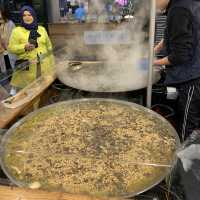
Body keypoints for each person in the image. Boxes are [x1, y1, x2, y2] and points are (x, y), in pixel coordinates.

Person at [154, 0, 200, 141]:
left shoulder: (178, 10)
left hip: (193, 77)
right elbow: (173, 33)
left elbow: (180, 55)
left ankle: (185, 160)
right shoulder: (183, 4)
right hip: (194, 70)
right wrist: (156, 49)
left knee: (189, 124)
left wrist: (153, 63)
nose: (152, 5)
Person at [8, 5, 54, 93]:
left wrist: (53, 64)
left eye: (29, 15)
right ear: (21, 17)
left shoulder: (42, 29)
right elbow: (11, 48)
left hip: (44, 65)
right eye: (24, 15)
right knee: (29, 92)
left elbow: (49, 47)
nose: (27, 17)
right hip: (27, 66)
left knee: (43, 89)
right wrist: (24, 47)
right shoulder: (17, 31)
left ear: (33, 15)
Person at [0, 7, 16, 74]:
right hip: (2, 53)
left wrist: (4, 48)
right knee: (4, 72)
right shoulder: (1, 25)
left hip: (9, 53)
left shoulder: (10, 24)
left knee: (11, 71)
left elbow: (11, 39)